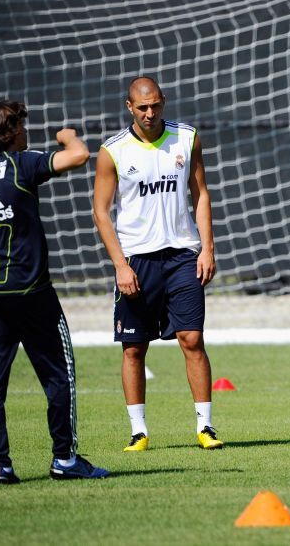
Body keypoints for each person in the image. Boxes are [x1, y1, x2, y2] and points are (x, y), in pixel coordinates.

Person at [0, 100, 109, 483]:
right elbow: (77, 156)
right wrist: (67, 136)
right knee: (60, 376)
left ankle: (1, 466)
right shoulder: (20, 164)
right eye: (22, 128)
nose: (27, 134)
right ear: (10, 133)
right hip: (31, 293)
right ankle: (64, 458)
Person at [93, 76, 222, 452]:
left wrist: (207, 248)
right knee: (134, 348)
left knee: (192, 339)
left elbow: (201, 194)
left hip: (183, 255)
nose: (150, 113)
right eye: (142, 107)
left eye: (156, 105)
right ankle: (138, 431)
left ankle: (206, 427)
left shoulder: (187, 137)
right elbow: (101, 212)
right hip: (136, 260)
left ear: (163, 102)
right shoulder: (112, 150)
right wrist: (120, 264)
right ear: (129, 106)